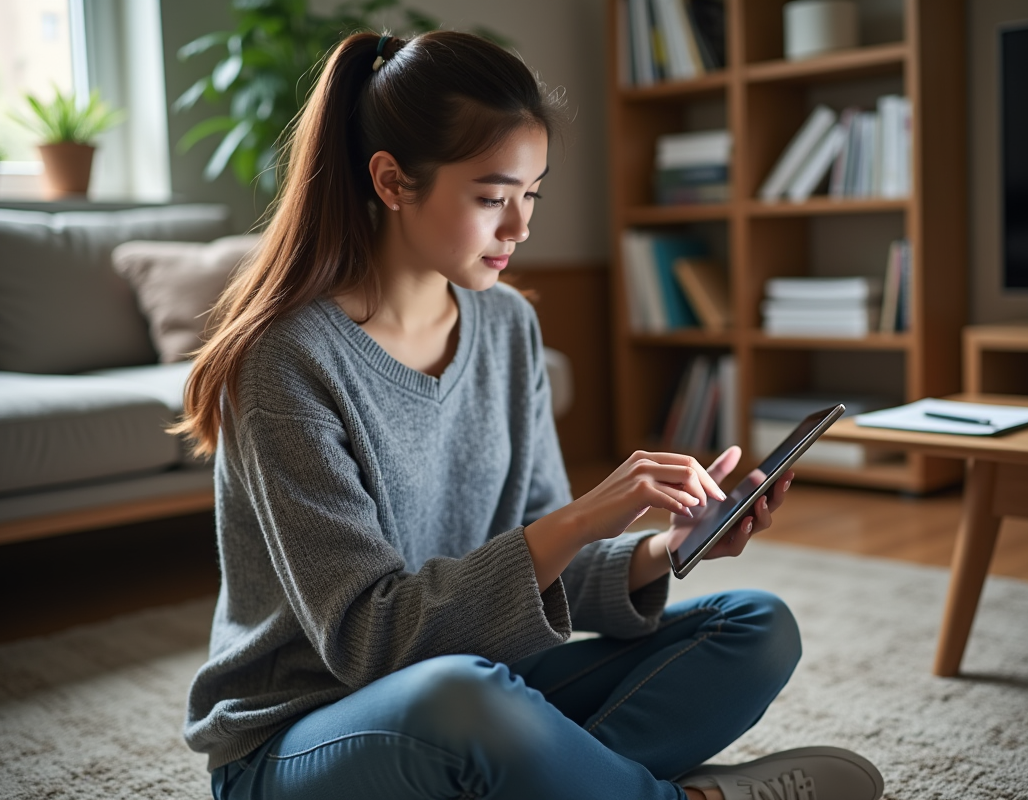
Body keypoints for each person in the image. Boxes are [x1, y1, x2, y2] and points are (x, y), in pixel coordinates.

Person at [177, 29, 884, 800]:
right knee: (464, 698)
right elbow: (370, 640)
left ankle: (564, 784)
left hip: (479, 690)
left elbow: (540, 570)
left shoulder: (508, 325)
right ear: (392, 181)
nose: (520, 228)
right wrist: (583, 517)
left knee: (755, 626)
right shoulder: (287, 359)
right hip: (302, 738)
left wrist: (667, 550)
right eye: (491, 198)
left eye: (532, 195)